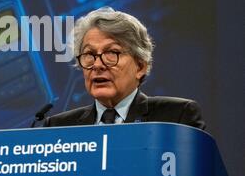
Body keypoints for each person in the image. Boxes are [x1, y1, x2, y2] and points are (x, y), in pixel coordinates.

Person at [43, 7, 206, 130]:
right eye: (89, 54)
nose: (98, 65)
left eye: (112, 53)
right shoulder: (59, 127)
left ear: (140, 66)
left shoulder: (176, 117)